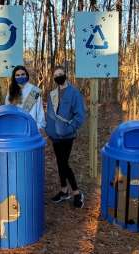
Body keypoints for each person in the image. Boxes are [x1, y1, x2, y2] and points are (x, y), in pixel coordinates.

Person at [45, 63, 86, 208]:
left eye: (60, 74)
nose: (58, 77)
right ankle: (64, 190)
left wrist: (69, 128)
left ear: (65, 74)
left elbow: (80, 115)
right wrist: (49, 130)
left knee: (63, 163)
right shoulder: (52, 94)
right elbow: (50, 114)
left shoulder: (74, 93)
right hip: (54, 135)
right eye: (55, 76)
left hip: (67, 136)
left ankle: (76, 192)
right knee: (59, 162)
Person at [5, 65, 46, 130]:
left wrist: (39, 127)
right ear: (14, 77)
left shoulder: (34, 90)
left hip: (30, 127)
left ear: (26, 75)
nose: (20, 76)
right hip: (15, 126)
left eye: (22, 74)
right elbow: (7, 110)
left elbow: (40, 111)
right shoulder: (11, 91)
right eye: (17, 75)